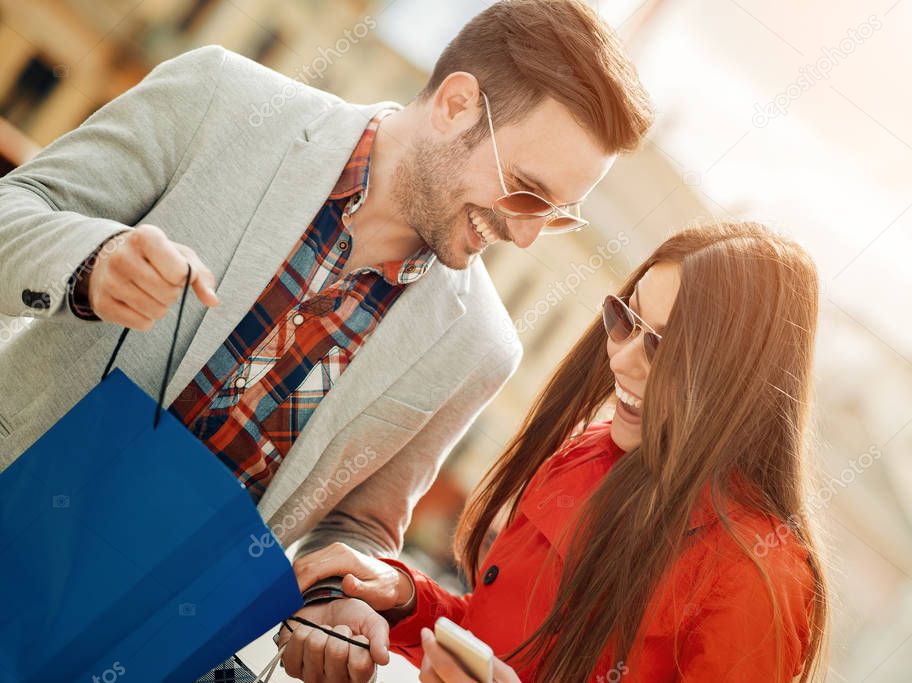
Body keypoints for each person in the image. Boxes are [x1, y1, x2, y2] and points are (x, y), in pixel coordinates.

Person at [0, 1, 651, 679]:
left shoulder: (479, 349)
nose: (522, 234)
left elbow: (359, 525)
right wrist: (92, 261)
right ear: (456, 104)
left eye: (554, 217)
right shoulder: (219, 97)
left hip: (142, 638)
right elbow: (14, 210)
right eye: (523, 192)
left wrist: (337, 595)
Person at [290, 222, 830, 682]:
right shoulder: (590, 455)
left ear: (744, 384)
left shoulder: (759, 579)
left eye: (666, 349)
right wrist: (404, 595)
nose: (620, 361)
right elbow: (495, 641)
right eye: (627, 320)